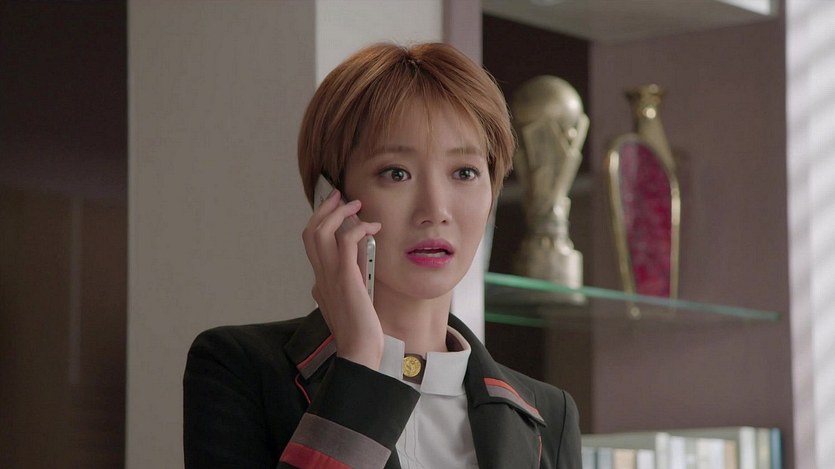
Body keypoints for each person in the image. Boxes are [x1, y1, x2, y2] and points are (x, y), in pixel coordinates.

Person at [183, 42, 581, 468]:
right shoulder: (239, 368)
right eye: (396, 173)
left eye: (465, 172)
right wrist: (358, 360)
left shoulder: (548, 417)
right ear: (329, 198)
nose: (435, 210)